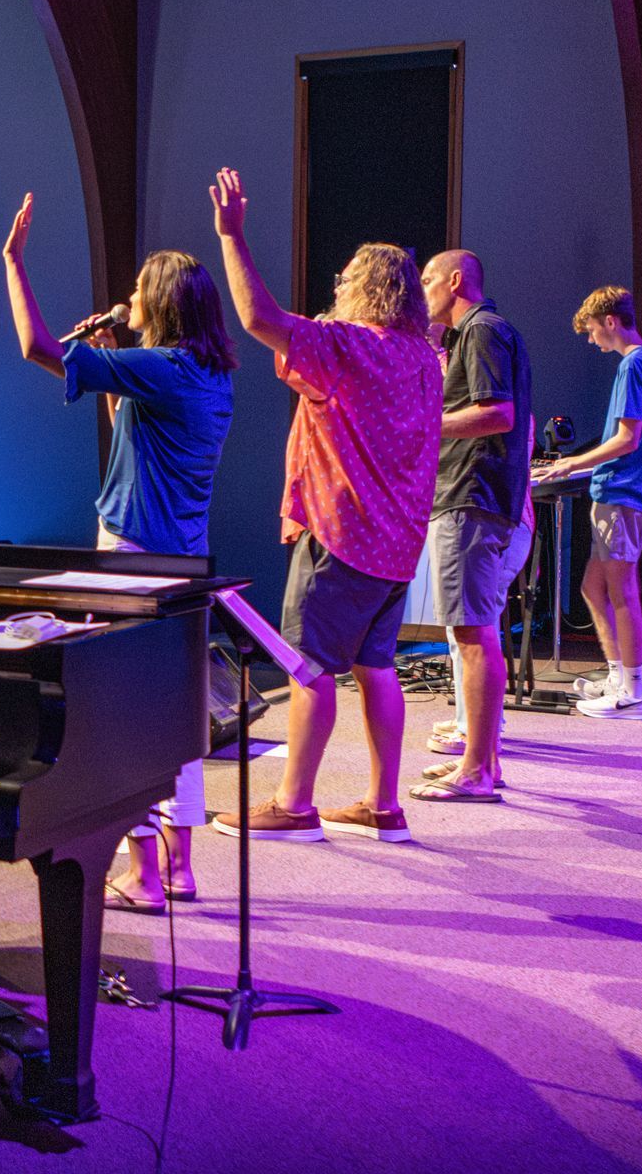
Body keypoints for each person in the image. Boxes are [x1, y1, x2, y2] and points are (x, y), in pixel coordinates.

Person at [3, 191, 237, 908]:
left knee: (119, 715)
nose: (124, 296)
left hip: (132, 554)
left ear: (159, 302)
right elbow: (133, 430)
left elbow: (37, 348)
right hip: (180, 556)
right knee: (172, 717)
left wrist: (13, 260)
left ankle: (140, 874)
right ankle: (179, 866)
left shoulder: (163, 367)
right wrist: (111, 367)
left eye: (137, 288)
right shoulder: (205, 370)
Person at [205, 168, 442, 843]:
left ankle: (295, 803)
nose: (335, 289)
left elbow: (258, 319)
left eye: (343, 281)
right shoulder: (422, 358)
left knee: (305, 669)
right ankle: (383, 804)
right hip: (397, 548)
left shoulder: (349, 345)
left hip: (343, 540)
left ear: (364, 290)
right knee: (376, 668)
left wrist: (232, 236)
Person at [408, 251, 532, 803]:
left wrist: (422, 426)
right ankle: (483, 760)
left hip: (471, 496)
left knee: (472, 634)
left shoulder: (482, 330)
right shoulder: (473, 335)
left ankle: (478, 770)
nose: (424, 289)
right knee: (472, 632)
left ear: (456, 281)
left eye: (430, 280)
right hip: (473, 495)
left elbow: (498, 414)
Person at [533, 286, 642, 719]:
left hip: (625, 493)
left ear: (610, 321)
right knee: (592, 588)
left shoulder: (634, 365)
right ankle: (618, 676)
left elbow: (627, 439)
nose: (592, 340)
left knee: (621, 589)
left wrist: (571, 463)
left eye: (592, 330)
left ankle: (633, 691)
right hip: (628, 490)